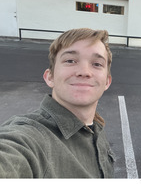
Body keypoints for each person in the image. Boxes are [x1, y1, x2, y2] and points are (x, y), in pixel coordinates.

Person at [0, 28, 115, 178]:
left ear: (107, 81)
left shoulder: (96, 128)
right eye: (70, 61)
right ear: (50, 77)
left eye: (97, 64)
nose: (84, 71)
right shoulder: (31, 138)